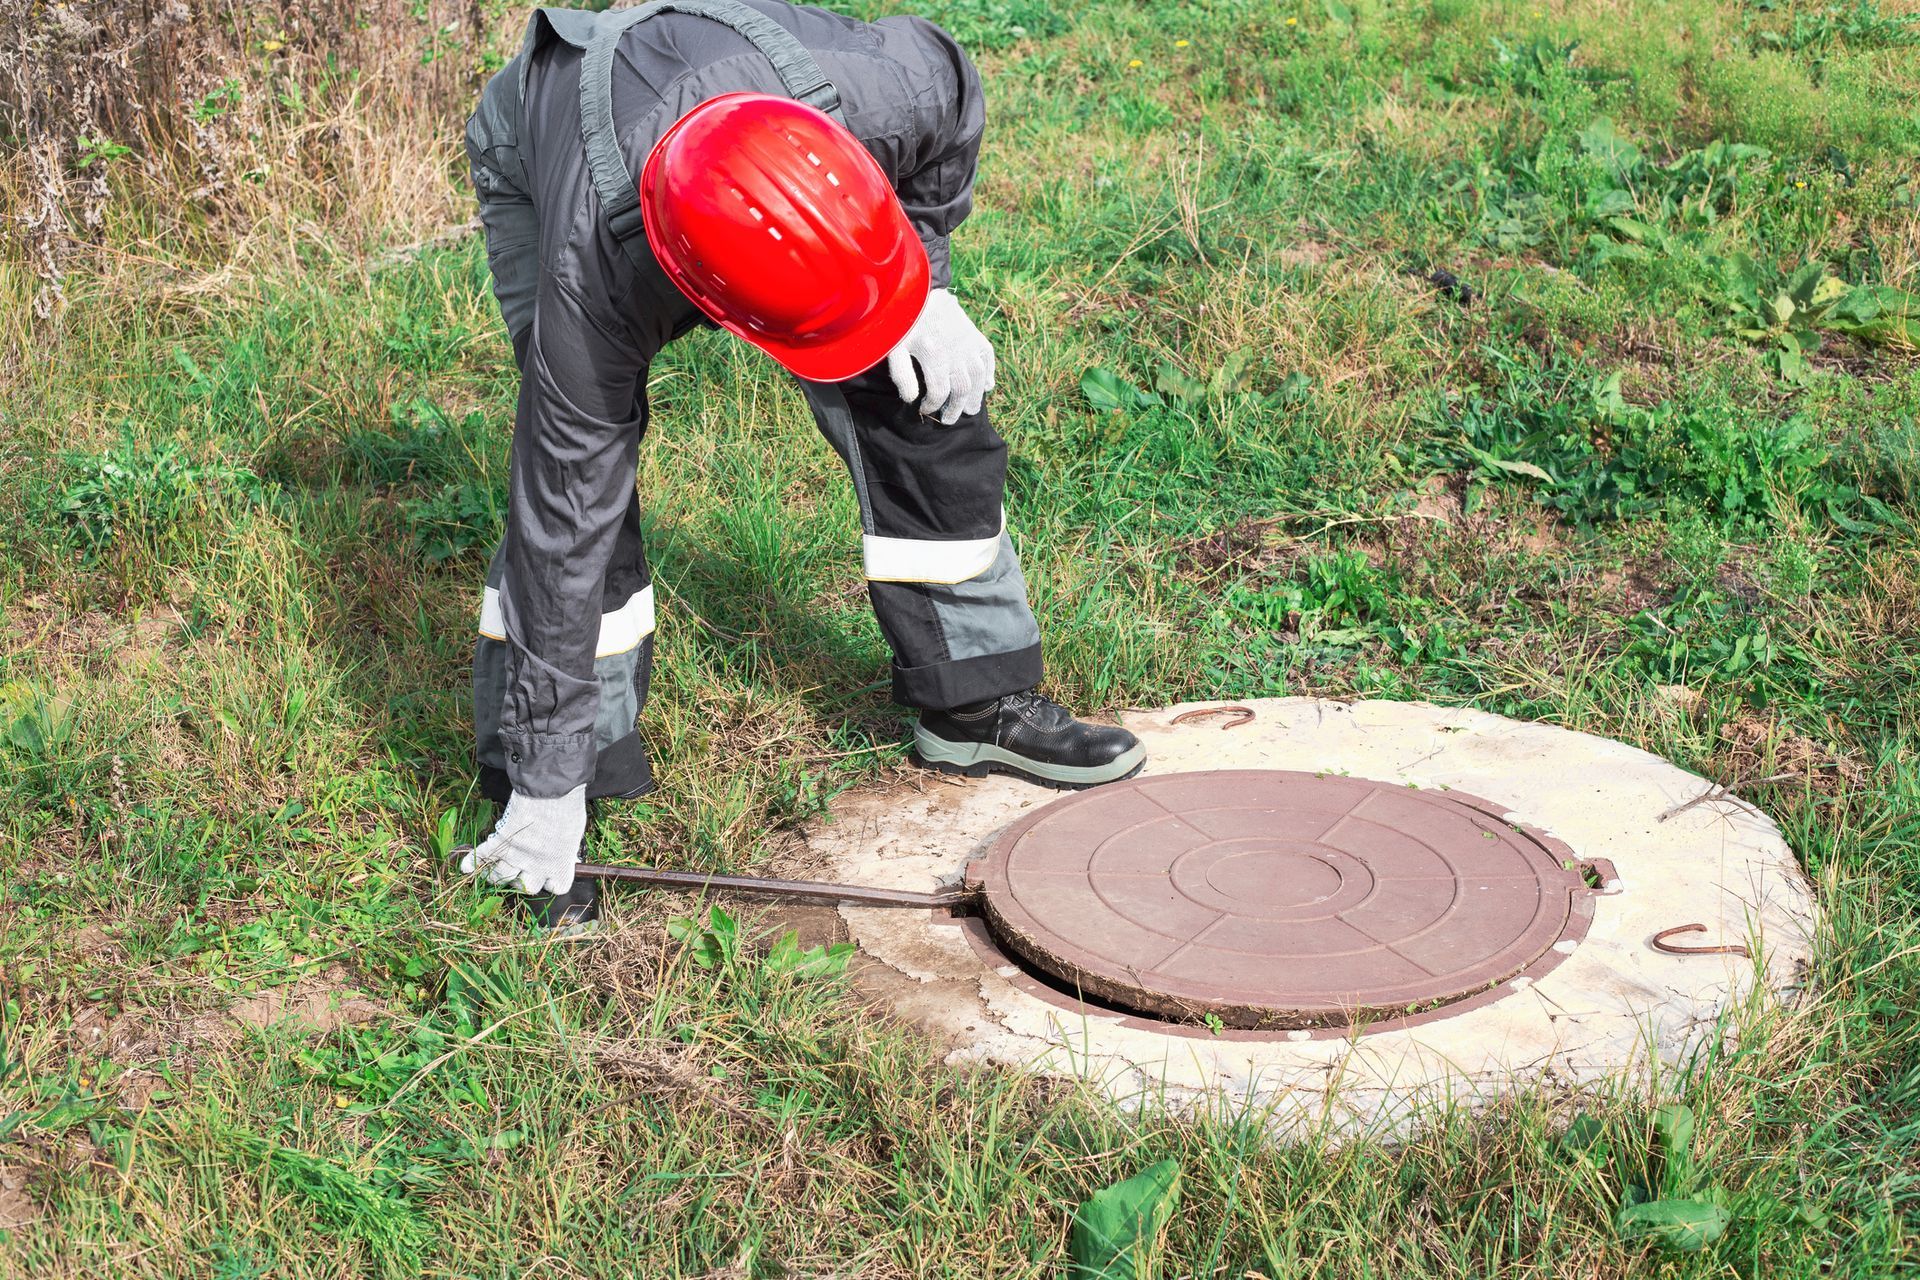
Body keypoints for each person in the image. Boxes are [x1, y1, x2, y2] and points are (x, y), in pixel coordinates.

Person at [456, 0, 1145, 927]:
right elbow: (561, 511)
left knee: (919, 390)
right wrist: (547, 783)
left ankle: (973, 705)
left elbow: (955, 104)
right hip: (554, 150)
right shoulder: (598, 278)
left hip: (766, 120)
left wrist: (923, 280)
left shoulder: (897, 86)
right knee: (584, 487)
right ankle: (549, 785)